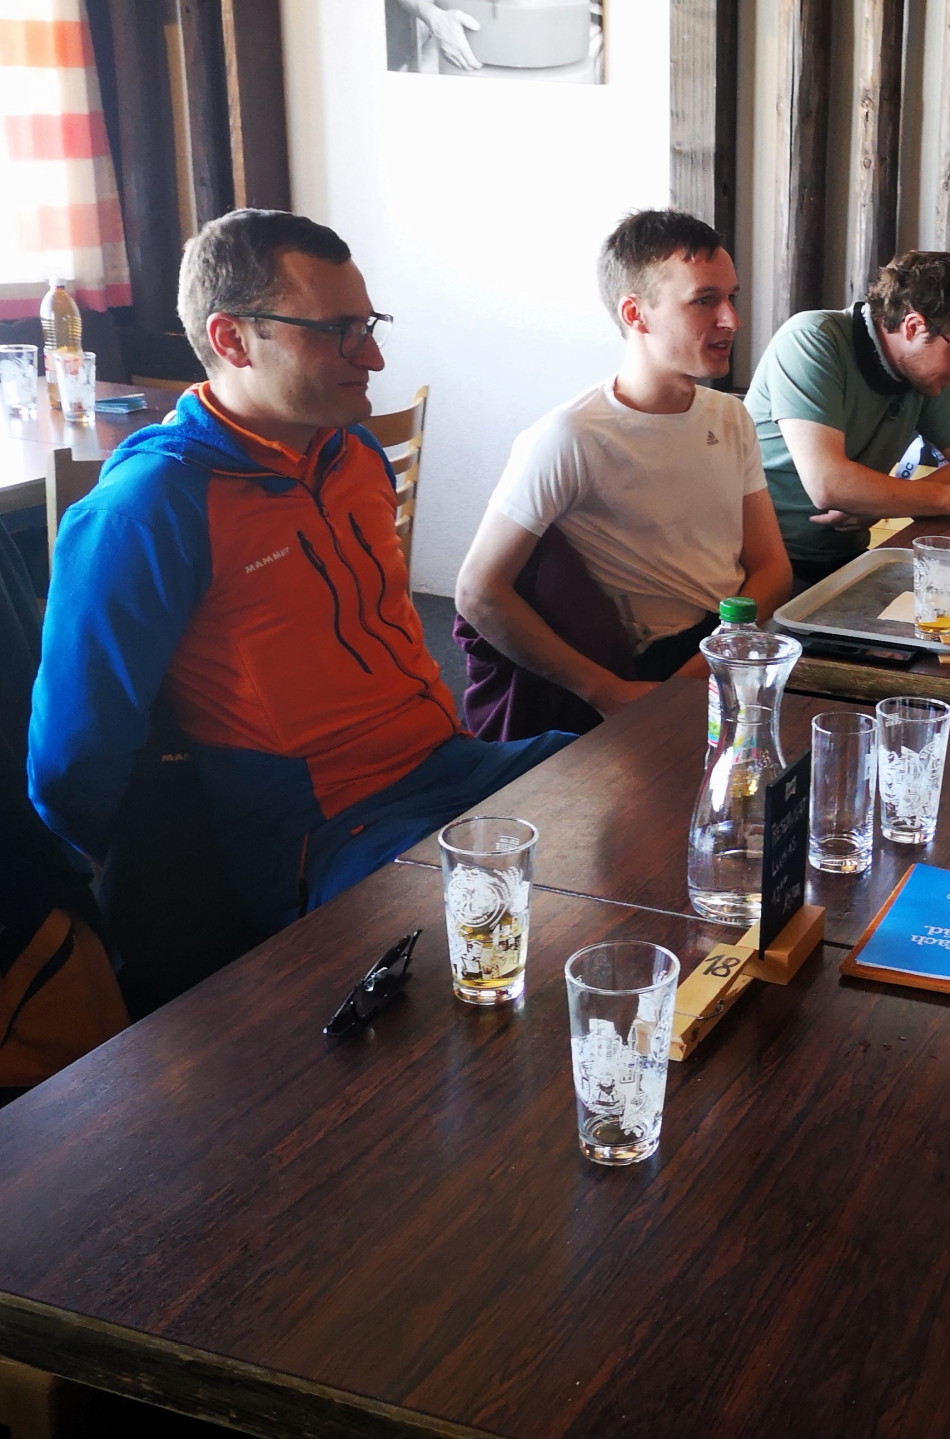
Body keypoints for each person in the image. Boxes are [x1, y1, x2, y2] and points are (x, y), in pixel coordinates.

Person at [29, 209, 569, 940]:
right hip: (335, 829)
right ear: (232, 340)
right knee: (515, 933)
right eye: (337, 330)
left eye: (368, 326)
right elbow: (74, 758)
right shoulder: (150, 508)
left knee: (634, 784)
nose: (372, 358)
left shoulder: (352, 452)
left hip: (454, 764)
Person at [454, 210, 789, 738]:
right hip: (644, 665)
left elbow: (771, 566)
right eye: (705, 300)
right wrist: (605, 691)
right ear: (636, 314)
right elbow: (478, 592)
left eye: (732, 297)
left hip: (725, 644)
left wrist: (717, 661)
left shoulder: (730, 416)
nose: (731, 319)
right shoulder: (571, 434)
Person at [745, 251, 950, 591]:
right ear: (914, 327)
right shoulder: (811, 339)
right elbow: (829, 485)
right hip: (761, 567)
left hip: (845, 562)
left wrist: (883, 500)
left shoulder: (925, 372)